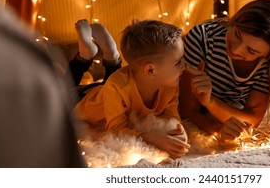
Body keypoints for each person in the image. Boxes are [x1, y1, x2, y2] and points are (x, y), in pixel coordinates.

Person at [179, 0, 270, 142]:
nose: (236, 50)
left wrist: (210, 102)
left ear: (269, 53)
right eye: (237, 34)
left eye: (251, 50)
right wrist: (218, 130)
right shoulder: (202, 38)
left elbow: (252, 120)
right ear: (236, 21)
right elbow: (187, 110)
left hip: (225, 100)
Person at [0, 0, 85, 167]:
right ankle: (89, 57)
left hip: (76, 90)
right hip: (77, 94)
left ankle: (88, 57)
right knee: (73, 86)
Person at [72, 19, 190, 159]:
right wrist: (150, 138)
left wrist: (178, 130)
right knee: (62, 88)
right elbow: (115, 130)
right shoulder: (116, 87)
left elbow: (171, 116)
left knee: (115, 82)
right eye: (178, 62)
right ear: (151, 70)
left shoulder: (170, 85)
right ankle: (84, 56)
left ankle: (112, 56)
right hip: (78, 100)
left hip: (109, 89)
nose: (185, 65)